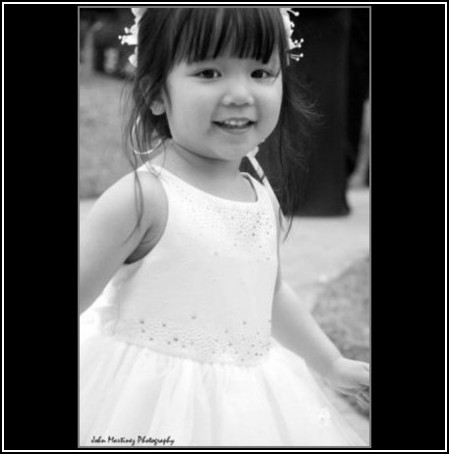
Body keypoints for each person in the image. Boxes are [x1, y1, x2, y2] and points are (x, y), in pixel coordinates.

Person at [80, 8, 369, 447]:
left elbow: (270, 293)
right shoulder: (143, 198)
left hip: (245, 403)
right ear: (155, 93)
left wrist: (329, 362)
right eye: (209, 72)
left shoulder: (259, 193)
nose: (240, 93)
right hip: (150, 403)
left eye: (260, 72)